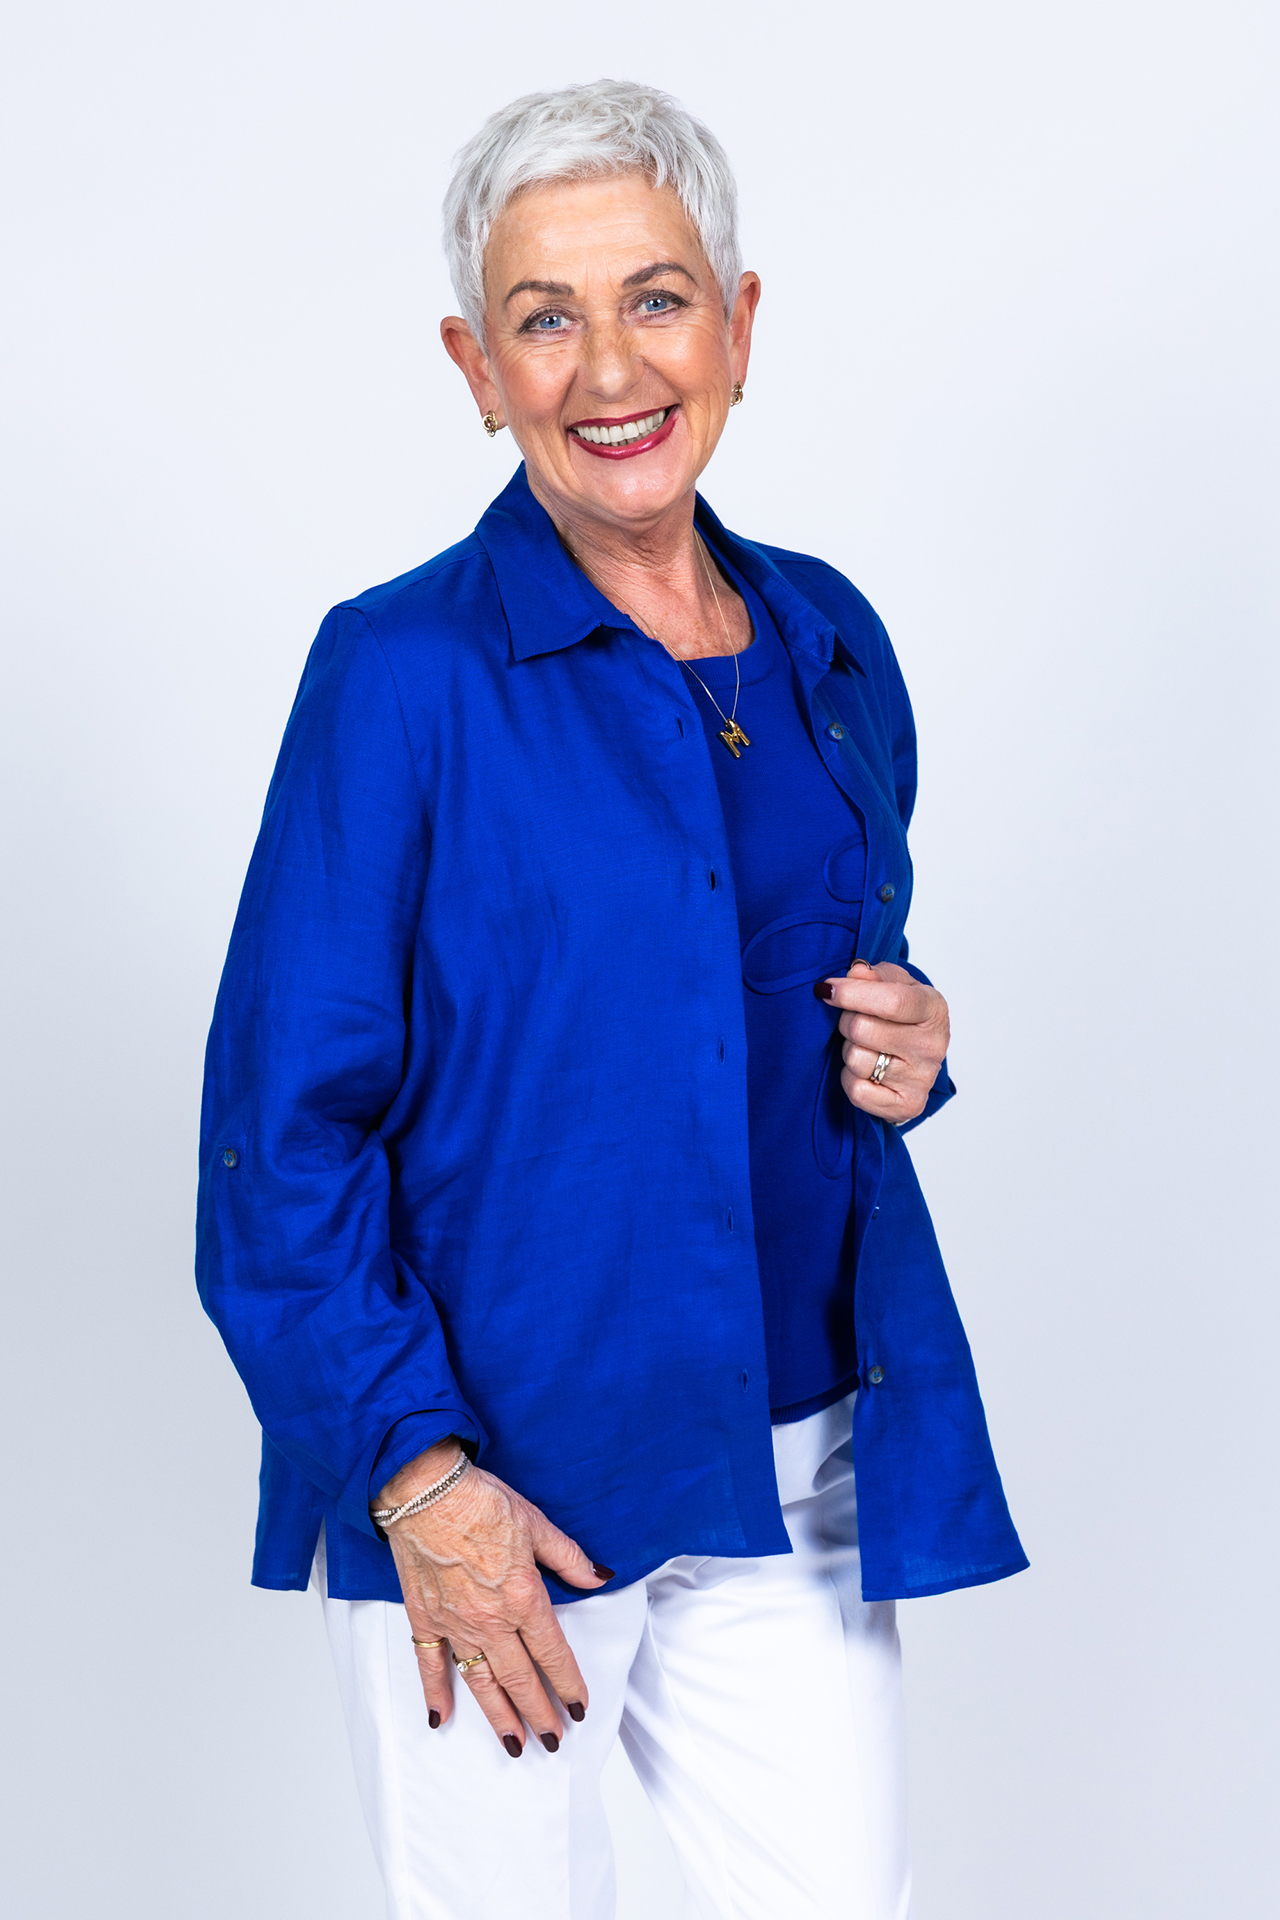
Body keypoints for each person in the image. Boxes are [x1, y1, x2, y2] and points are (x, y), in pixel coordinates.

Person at [196, 78, 1027, 1920]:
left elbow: (782, 974)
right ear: (476, 370)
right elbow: (275, 1138)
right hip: (501, 1485)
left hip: (794, 1459)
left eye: (655, 299)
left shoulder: (826, 635)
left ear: (739, 324)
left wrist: (909, 1044)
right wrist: (418, 1483)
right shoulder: (397, 671)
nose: (609, 368)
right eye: (543, 318)